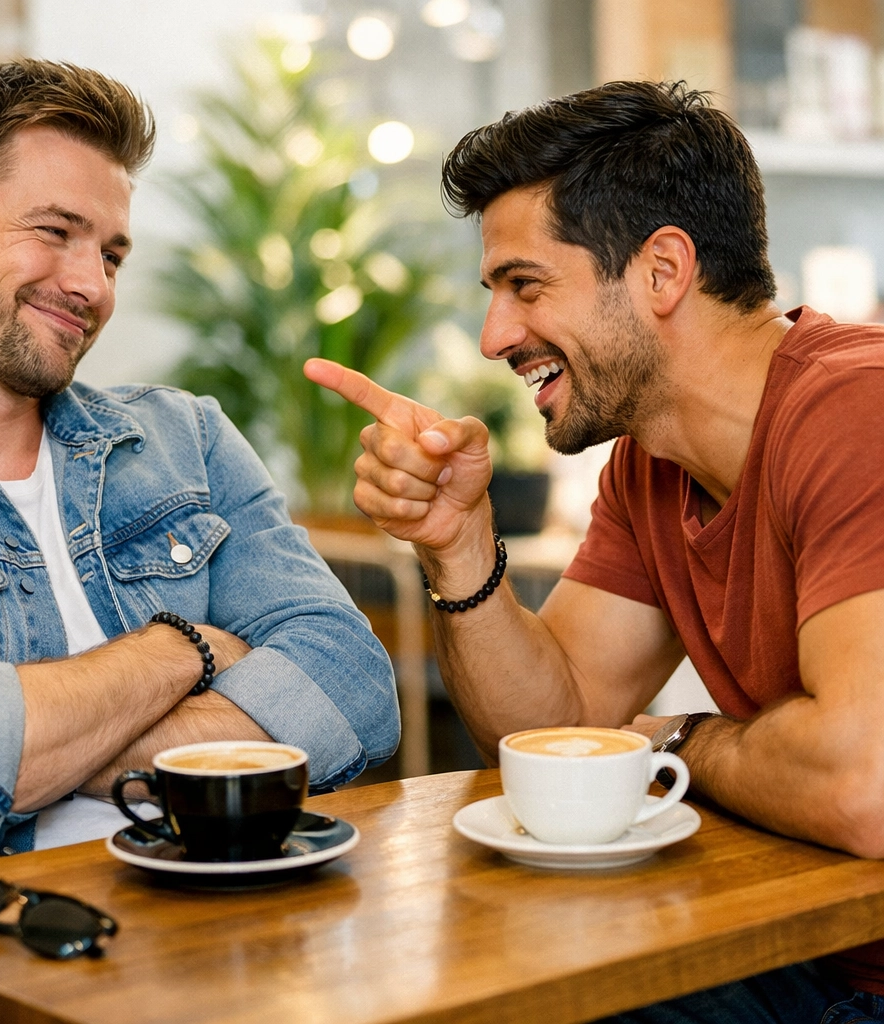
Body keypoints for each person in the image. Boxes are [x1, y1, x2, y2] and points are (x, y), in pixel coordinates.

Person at [305, 80, 884, 1023]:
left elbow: (867, 787)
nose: (497, 336)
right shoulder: (650, 465)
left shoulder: (858, 411)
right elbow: (551, 725)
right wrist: (459, 547)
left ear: (662, 270)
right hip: (813, 948)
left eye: (525, 286)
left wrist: (674, 742)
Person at [0, 55, 398, 934]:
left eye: (111, 252)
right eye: (54, 231)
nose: (93, 286)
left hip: (237, 955)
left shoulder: (186, 440)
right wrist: (184, 647)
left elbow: (353, 691)